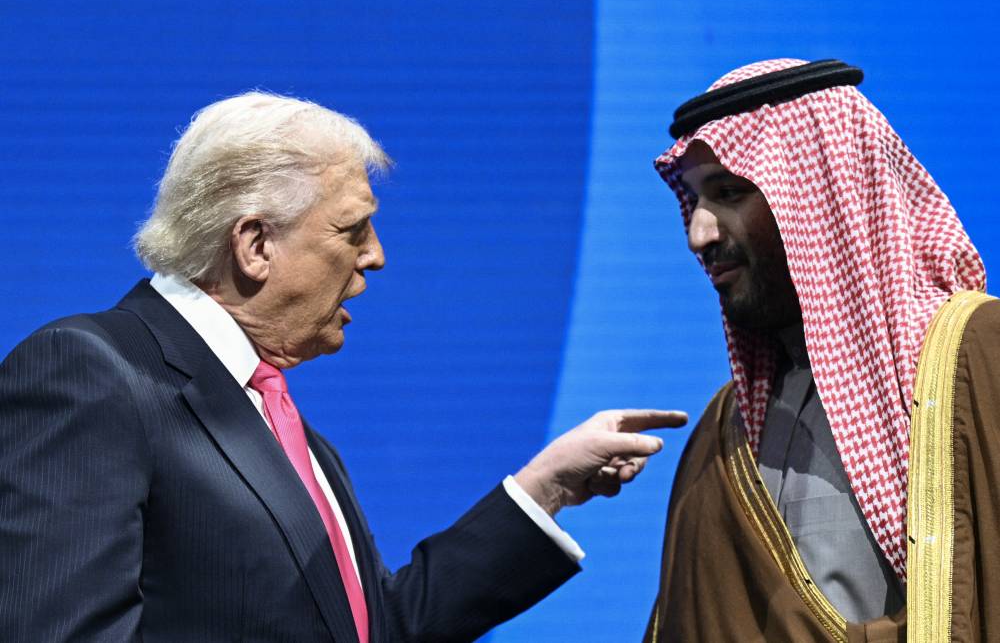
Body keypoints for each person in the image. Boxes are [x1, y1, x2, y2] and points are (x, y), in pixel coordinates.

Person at [0, 92, 686, 643]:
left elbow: (375, 628)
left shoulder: (287, 430)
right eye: (352, 229)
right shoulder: (90, 372)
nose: (376, 256)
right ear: (256, 243)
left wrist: (545, 488)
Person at [642, 59, 999, 642]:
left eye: (728, 194)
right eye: (694, 203)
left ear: (824, 196)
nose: (698, 235)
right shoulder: (721, 429)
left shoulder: (979, 359)